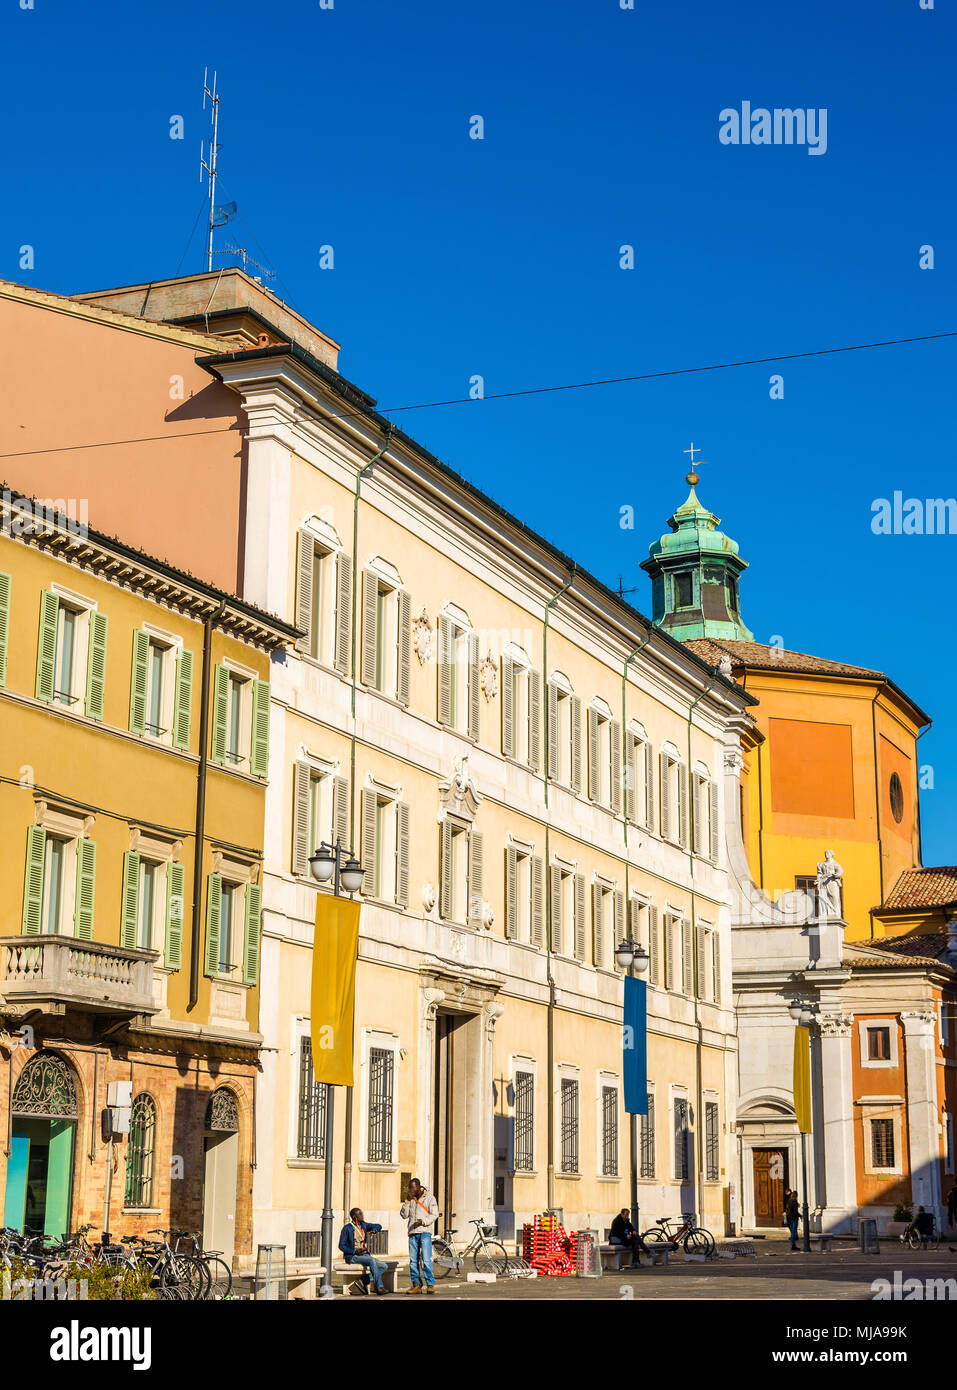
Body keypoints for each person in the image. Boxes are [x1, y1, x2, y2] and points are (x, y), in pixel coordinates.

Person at [400, 1178, 439, 1294]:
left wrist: (423, 1221)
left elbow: (434, 1214)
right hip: (412, 1233)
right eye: (409, 1188)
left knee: (426, 1260)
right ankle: (416, 1284)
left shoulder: (430, 1198)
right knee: (413, 1261)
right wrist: (407, 1202)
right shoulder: (410, 1200)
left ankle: (430, 1284)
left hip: (425, 1232)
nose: (410, 1190)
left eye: (412, 1188)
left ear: (418, 1187)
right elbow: (404, 1215)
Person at [338, 1207, 388, 1295]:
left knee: (384, 1266)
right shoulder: (347, 1228)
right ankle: (379, 1287)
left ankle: (363, 1280)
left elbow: (379, 1226)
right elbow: (341, 1246)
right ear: (354, 1217)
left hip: (364, 1255)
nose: (362, 1215)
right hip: (353, 1256)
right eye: (360, 1214)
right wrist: (354, 1251)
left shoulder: (364, 1225)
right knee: (372, 1260)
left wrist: (374, 1230)